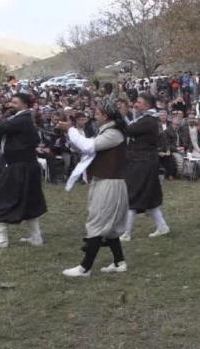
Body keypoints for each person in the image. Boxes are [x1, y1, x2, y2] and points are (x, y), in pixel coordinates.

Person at [59, 101, 129, 277]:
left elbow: (88, 146)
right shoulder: (107, 132)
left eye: (97, 113)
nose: (94, 116)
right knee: (109, 226)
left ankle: (85, 267)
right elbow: (86, 149)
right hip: (104, 180)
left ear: (105, 116)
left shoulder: (114, 133)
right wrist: (70, 134)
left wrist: (70, 130)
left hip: (110, 183)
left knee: (97, 222)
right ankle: (119, 262)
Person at [0, 94, 47, 248]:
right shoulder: (25, 119)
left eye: (15, 102)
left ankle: (2, 240)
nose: (10, 104)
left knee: (2, 198)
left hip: (19, 166)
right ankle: (36, 237)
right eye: (11, 101)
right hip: (28, 165)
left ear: (25, 105)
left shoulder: (21, 120)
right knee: (30, 200)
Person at [120, 94, 170, 242]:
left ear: (146, 105)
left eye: (139, 102)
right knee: (151, 197)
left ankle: (126, 233)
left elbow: (128, 130)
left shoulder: (148, 120)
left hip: (142, 162)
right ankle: (162, 227)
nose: (136, 104)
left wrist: (122, 116)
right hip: (146, 161)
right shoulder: (148, 118)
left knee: (133, 194)